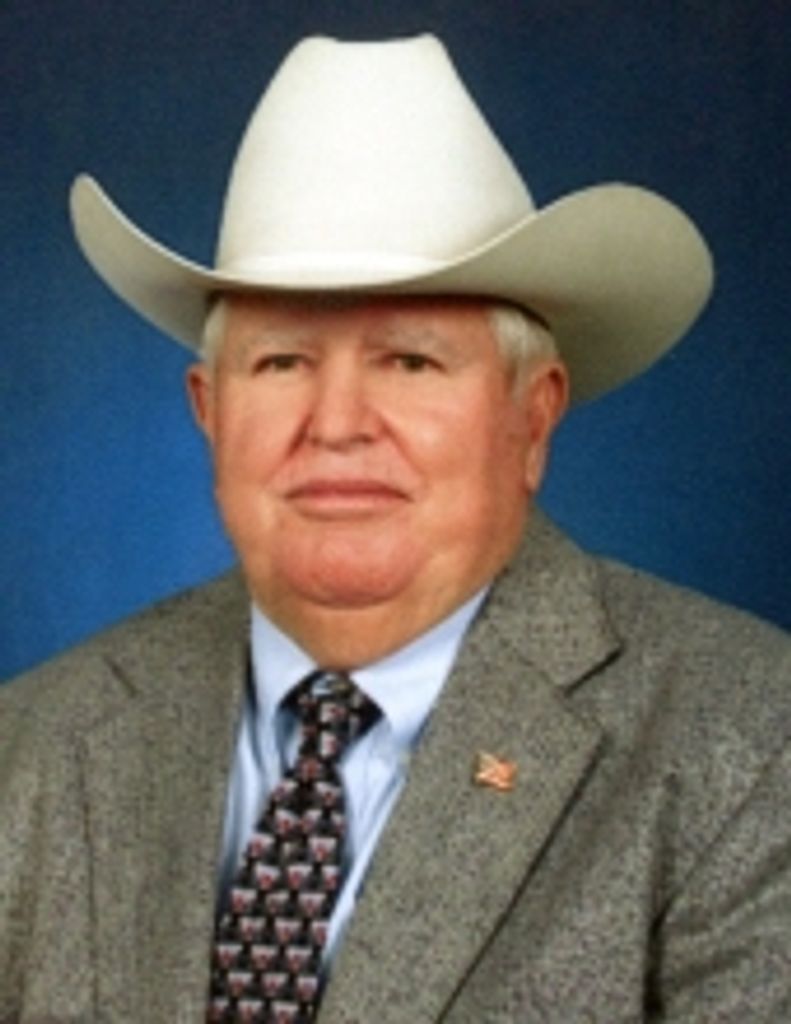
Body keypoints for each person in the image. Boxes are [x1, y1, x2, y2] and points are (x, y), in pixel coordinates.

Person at [1, 33, 789, 1024]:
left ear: (532, 415)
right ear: (209, 411)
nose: (335, 424)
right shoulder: (29, 744)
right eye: (282, 362)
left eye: (409, 362)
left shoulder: (749, 743)